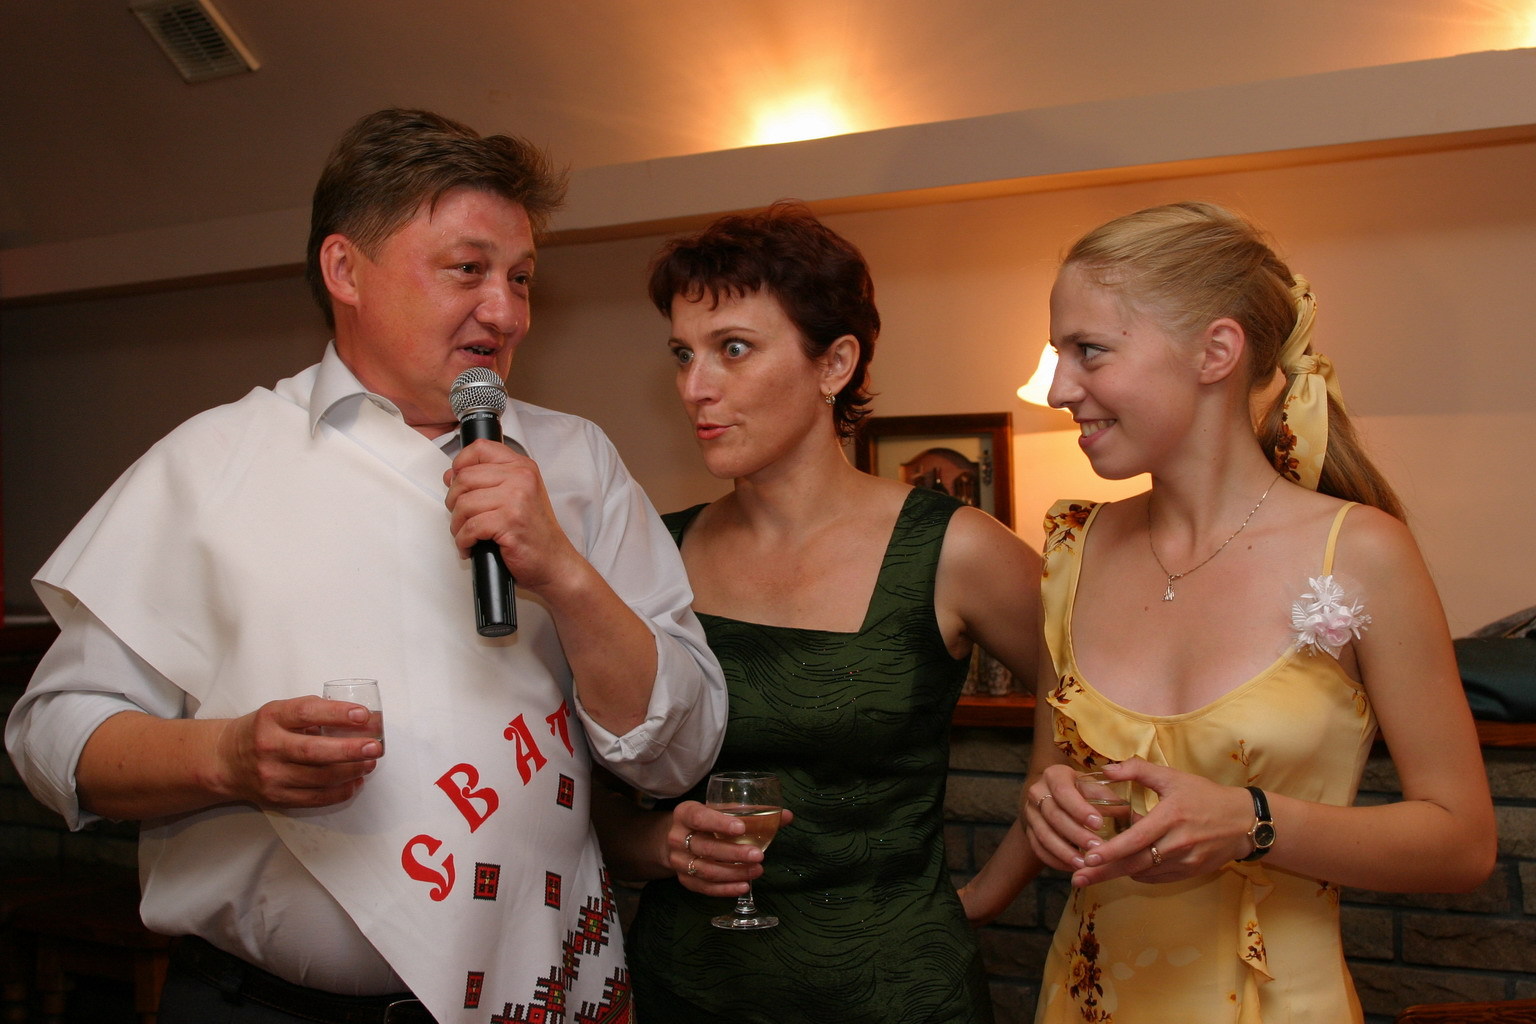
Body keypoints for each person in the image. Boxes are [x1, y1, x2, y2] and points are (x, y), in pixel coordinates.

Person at [4, 108, 727, 1024]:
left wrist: (565, 575)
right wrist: (227, 757)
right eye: (467, 270)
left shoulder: (578, 462)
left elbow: (681, 750)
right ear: (345, 270)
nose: (507, 312)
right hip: (257, 1007)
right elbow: (55, 736)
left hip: (528, 993)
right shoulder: (209, 463)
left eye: (520, 278)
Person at [1022, 201, 1496, 1023]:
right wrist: (1049, 808)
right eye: (1058, 354)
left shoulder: (1360, 553)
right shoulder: (1074, 550)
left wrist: (1255, 820)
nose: (1060, 388)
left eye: (1087, 350)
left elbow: (1463, 844)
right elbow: (1047, 780)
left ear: (1216, 351)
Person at [592, 202, 1043, 1024]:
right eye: (684, 354)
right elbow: (590, 800)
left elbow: (1095, 703)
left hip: (894, 995)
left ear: (835, 363)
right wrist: (661, 846)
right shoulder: (650, 555)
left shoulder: (954, 549)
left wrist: (994, 884)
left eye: (733, 348)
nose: (695, 387)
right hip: (689, 989)